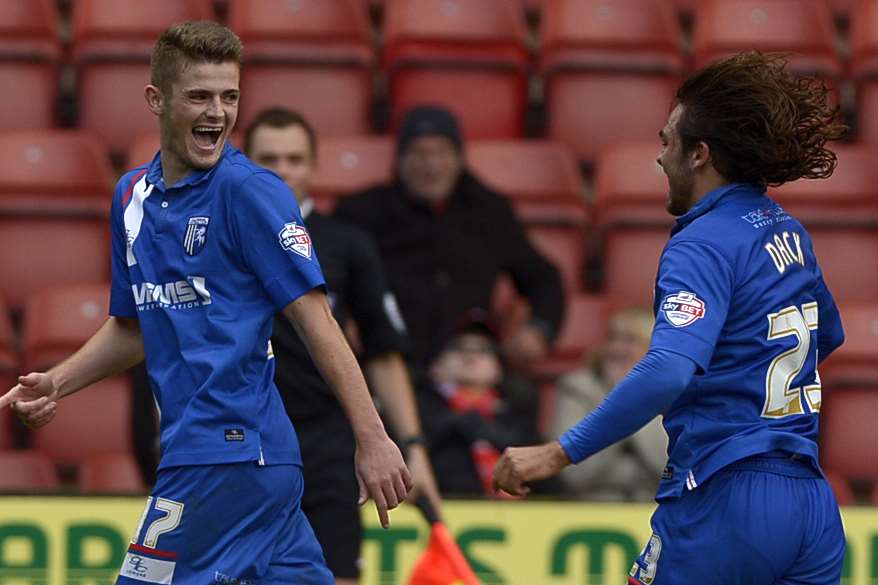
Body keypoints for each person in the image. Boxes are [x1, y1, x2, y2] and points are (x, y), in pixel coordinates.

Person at [0, 21, 411, 585]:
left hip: (229, 452)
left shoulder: (250, 192)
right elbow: (138, 325)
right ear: (156, 100)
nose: (217, 113)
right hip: (229, 458)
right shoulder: (130, 197)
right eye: (199, 96)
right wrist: (60, 381)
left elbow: (316, 319)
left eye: (230, 96)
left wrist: (372, 437)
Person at [493, 51, 848, 584]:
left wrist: (557, 453)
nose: (660, 157)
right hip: (810, 504)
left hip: (724, 499)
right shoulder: (786, 229)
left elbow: (668, 369)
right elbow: (830, 334)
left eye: (667, 141)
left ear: (700, 154)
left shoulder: (702, 243)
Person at [243, 107, 442, 584]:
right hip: (244, 443)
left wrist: (412, 446)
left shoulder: (347, 245)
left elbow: (383, 352)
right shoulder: (219, 239)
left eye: (295, 159)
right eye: (269, 159)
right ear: (247, 164)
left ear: (314, 167)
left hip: (327, 450)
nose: (283, 170)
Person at [334, 105, 565, 369]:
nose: (431, 166)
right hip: (386, 363)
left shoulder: (490, 211)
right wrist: (342, 317)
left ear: (459, 158)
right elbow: (330, 279)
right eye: (419, 154)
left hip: (468, 367)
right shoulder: (361, 212)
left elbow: (544, 278)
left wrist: (538, 330)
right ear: (399, 159)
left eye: (441, 153)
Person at [415, 310, 550, 497]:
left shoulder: (517, 408)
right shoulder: (416, 406)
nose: (471, 357)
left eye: (483, 350)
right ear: (436, 365)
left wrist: (487, 432)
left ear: (498, 369)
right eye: (459, 348)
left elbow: (545, 478)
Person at [548, 307, 666, 501]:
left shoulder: (675, 392)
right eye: (611, 338)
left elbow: (674, 468)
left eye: (630, 340)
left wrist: (633, 398)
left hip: (659, 508)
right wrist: (621, 398)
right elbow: (575, 475)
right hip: (592, 509)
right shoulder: (576, 388)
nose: (617, 348)